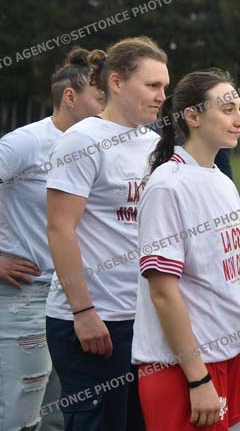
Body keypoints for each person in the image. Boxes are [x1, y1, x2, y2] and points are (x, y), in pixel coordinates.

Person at [45, 37, 169, 430]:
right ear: (116, 82)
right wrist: (82, 312)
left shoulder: (156, 143)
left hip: (142, 318)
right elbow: (60, 228)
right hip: (92, 319)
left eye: (164, 86)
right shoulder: (82, 140)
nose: (162, 96)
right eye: (152, 85)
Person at [133, 69, 240, 431]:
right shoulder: (167, 187)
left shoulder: (222, 182)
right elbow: (163, 293)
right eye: (227, 110)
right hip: (183, 368)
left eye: (239, 109)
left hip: (231, 357)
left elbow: (234, 282)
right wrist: (197, 378)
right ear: (192, 116)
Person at [0, 48, 104, 431]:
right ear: (70, 96)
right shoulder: (25, 143)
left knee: (61, 413)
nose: (106, 104)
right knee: (17, 412)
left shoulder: (99, 146)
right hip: (25, 293)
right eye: (99, 96)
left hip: (78, 297)